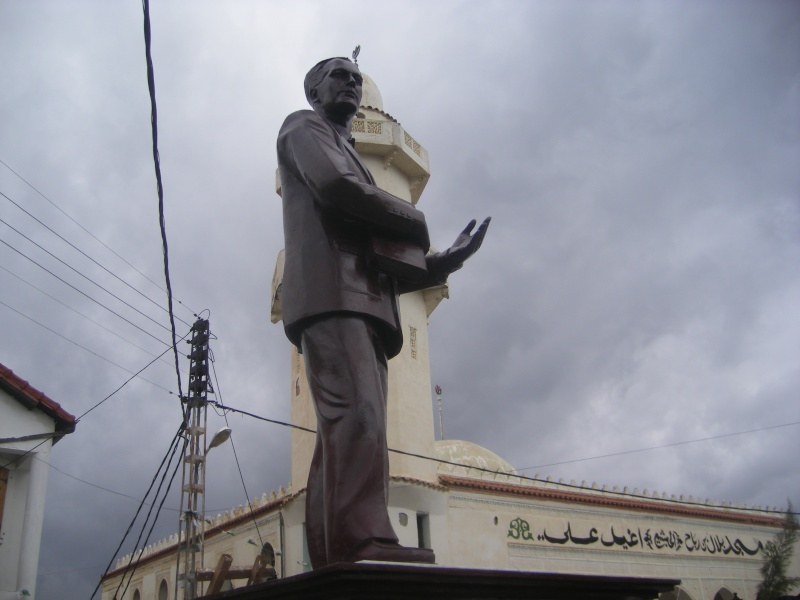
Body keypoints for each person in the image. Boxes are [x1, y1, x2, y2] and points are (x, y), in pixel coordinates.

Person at [276, 56, 490, 569]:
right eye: (338, 77)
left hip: (367, 304)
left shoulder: (351, 151)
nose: (350, 84)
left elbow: (379, 255)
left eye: (355, 78)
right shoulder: (303, 128)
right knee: (360, 418)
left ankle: (336, 550)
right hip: (333, 297)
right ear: (314, 91)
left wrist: (441, 261)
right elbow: (337, 189)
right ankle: (364, 540)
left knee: (344, 432)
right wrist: (415, 219)